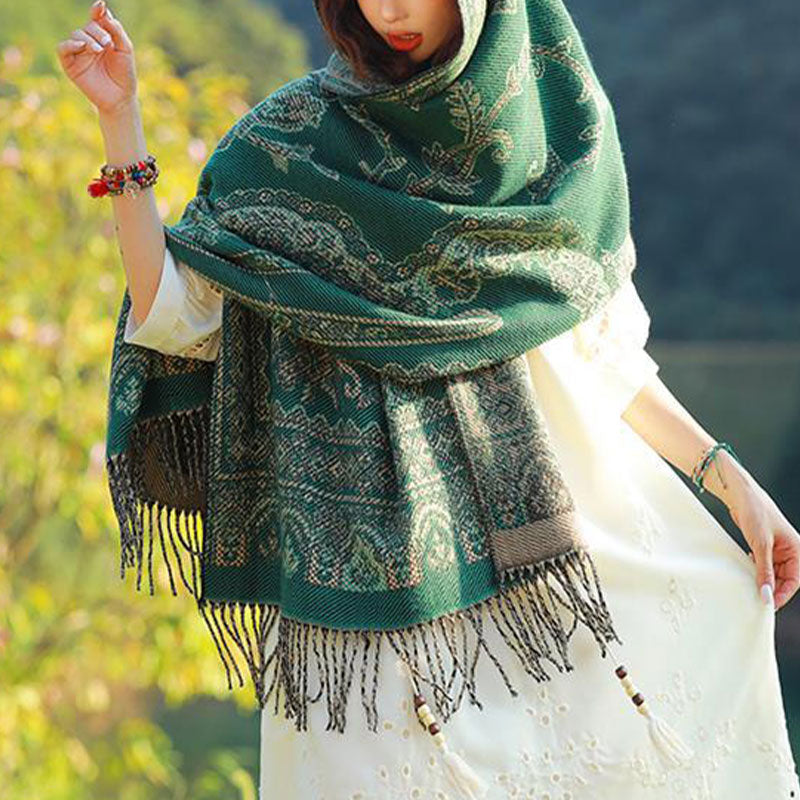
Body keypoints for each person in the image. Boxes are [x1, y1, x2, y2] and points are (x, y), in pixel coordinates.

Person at [58, 1, 800, 797]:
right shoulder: (286, 146)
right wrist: (120, 120)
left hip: (553, 572)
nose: (388, 11)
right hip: (358, 611)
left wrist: (729, 480)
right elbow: (174, 314)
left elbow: (600, 359)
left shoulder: (554, 135)